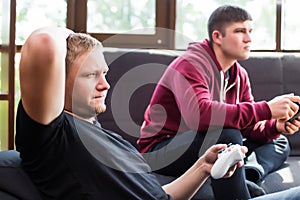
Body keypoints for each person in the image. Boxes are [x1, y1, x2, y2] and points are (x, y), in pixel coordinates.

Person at [15, 26, 247, 200]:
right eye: (90, 75)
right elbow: (43, 42)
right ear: (57, 82)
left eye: (104, 73)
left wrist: (203, 167)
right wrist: (72, 36)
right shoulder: (52, 132)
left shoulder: (109, 140)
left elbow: (160, 196)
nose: (105, 85)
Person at [137, 5, 300, 200]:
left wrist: (275, 126)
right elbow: (200, 115)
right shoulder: (190, 64)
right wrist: (266, 109)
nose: (248, 39)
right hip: (161, 150)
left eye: (250, 31)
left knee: (279, 140)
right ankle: (239, 193)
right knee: (226, 135)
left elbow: (249, 128)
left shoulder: (239, 75)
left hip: (206, 145)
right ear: (217, 36)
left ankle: (248, 173)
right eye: (240, 31)